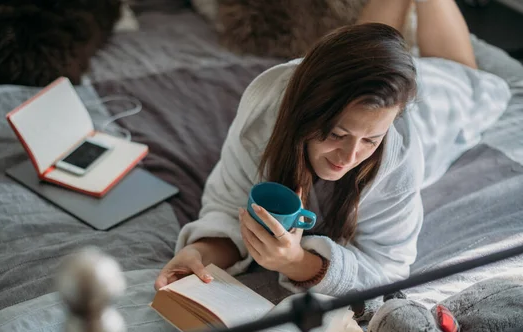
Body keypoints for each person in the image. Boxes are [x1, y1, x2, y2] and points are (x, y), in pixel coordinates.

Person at [154, 0, 511, 295]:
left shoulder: (399, 156)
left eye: (370, 142)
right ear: (304, 114)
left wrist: (298, 263)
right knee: (364, 45)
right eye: (336, 135)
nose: (349, 157)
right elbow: (228, 201)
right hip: (369, 83)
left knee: (469, 77)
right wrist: (199, 251)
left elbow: (388, 268)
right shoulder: (266, 110)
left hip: (440, 102)